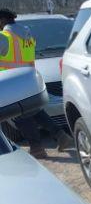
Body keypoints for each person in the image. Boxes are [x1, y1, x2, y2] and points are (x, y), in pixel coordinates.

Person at [0, 8, 73, 158]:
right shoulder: (25, 34)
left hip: (13, 82)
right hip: (28, 79)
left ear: (2, 20)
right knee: (35, 112)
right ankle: (61, 136)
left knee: (20, 117)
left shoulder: (4, 37)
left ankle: (37, 148)